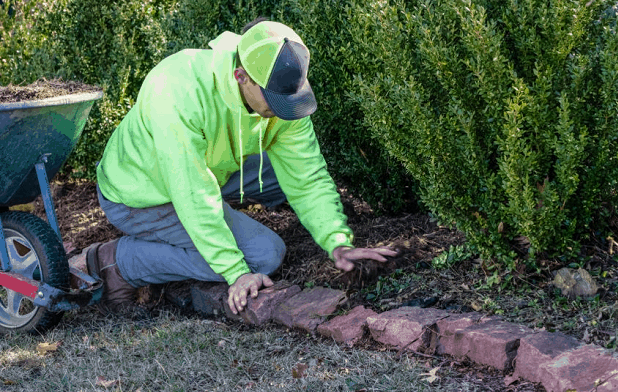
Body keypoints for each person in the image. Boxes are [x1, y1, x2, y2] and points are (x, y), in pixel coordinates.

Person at [87, 18, 396, 315]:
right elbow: (193, 194)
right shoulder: (178, 90)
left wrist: (337, 241)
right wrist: (235, 272)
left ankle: (220, 228)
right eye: (273, 99)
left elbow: (307, 175)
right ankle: (120, 263)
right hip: (139, 193)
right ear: (240, 76)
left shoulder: (284, 89)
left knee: (282, 171)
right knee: (264, 255)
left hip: (208, 168)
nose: (283, 109)